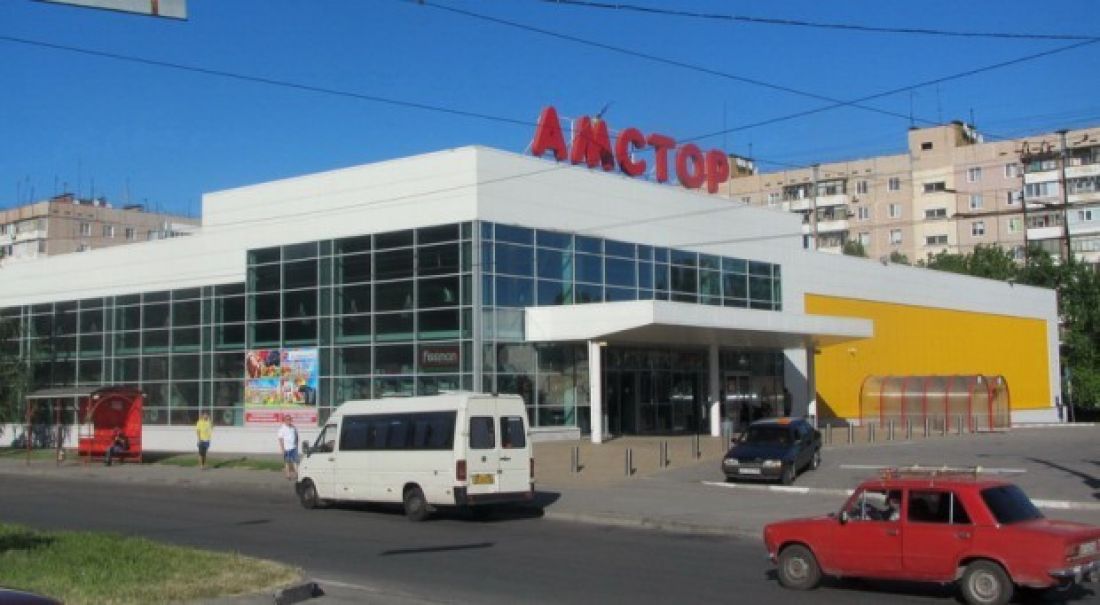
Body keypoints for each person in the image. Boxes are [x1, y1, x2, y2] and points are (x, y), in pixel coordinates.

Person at [277, 415, 299, 481]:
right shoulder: (282, 428)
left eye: (290, 419)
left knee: (295, 462)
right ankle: (288, 475)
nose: (289, 421)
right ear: (285, 420)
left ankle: (297, 474)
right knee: (287, 462)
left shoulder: (293, 427)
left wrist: (296, 444)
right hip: (286, 448)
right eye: (287, 419)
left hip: (293, 448)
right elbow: (280, 439)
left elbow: (296, 436)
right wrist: (282, 449)